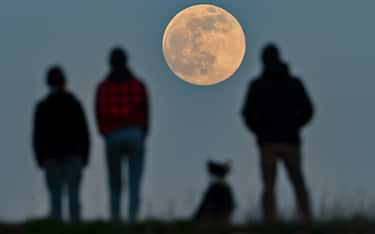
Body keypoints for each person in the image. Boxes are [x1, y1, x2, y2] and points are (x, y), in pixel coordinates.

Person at [242, 44, 314, 223]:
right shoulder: (292, 83)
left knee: (274, 185)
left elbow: (247, 113)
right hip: (286, 140)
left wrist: (260, 131)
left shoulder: (258, 85)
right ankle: (303, 219)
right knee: (295, 183)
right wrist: (295, 126)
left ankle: (272, 221)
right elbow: (308, 110)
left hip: (272, 142)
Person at [96, 48, 149, 223]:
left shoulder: (103, 87)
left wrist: (104, 131)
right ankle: (132, 218)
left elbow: (99, 112)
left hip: (113, 134)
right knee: (135, 179)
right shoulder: (138, 85)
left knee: (115, 181)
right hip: (134, 133)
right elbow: (146, 111)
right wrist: (142, 132)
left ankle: (116, 218)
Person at [33, 66, 90, 222]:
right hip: (73, 155)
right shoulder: (74, 103)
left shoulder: (42, 107)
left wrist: (39, 158)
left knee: (55, 196)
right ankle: (74, 225)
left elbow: (37, 136)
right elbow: (84, 132)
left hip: (51, 156)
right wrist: (85, 155)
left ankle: (57, 225)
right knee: (73, 194)